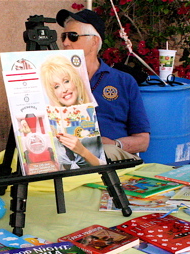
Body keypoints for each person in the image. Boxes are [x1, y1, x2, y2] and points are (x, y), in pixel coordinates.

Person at [56, 9, 150, 161]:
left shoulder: (123, 81)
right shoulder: (56, 79)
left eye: (73, 36)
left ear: (94, 41)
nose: (66, 42)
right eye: (63, 36)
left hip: (111, 156)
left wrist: (114, 144)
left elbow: (143, 141)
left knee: (101, 152)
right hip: (66, 154)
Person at [40, 55, 106, 169]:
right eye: (56, 87)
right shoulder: (48, 120)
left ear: (75, 81)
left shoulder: (91, 114)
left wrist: (82, 151)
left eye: (66, 81)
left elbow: (104, 165)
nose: (64, 89)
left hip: (93, 176)